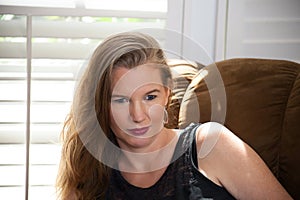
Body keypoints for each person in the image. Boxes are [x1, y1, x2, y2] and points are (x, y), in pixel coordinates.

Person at [56, 32, 292, 200]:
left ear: (167, 94)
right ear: (101, 105)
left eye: (150, 97)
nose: (138, 116)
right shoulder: (90, 171)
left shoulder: (210, 145)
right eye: (120, 100)